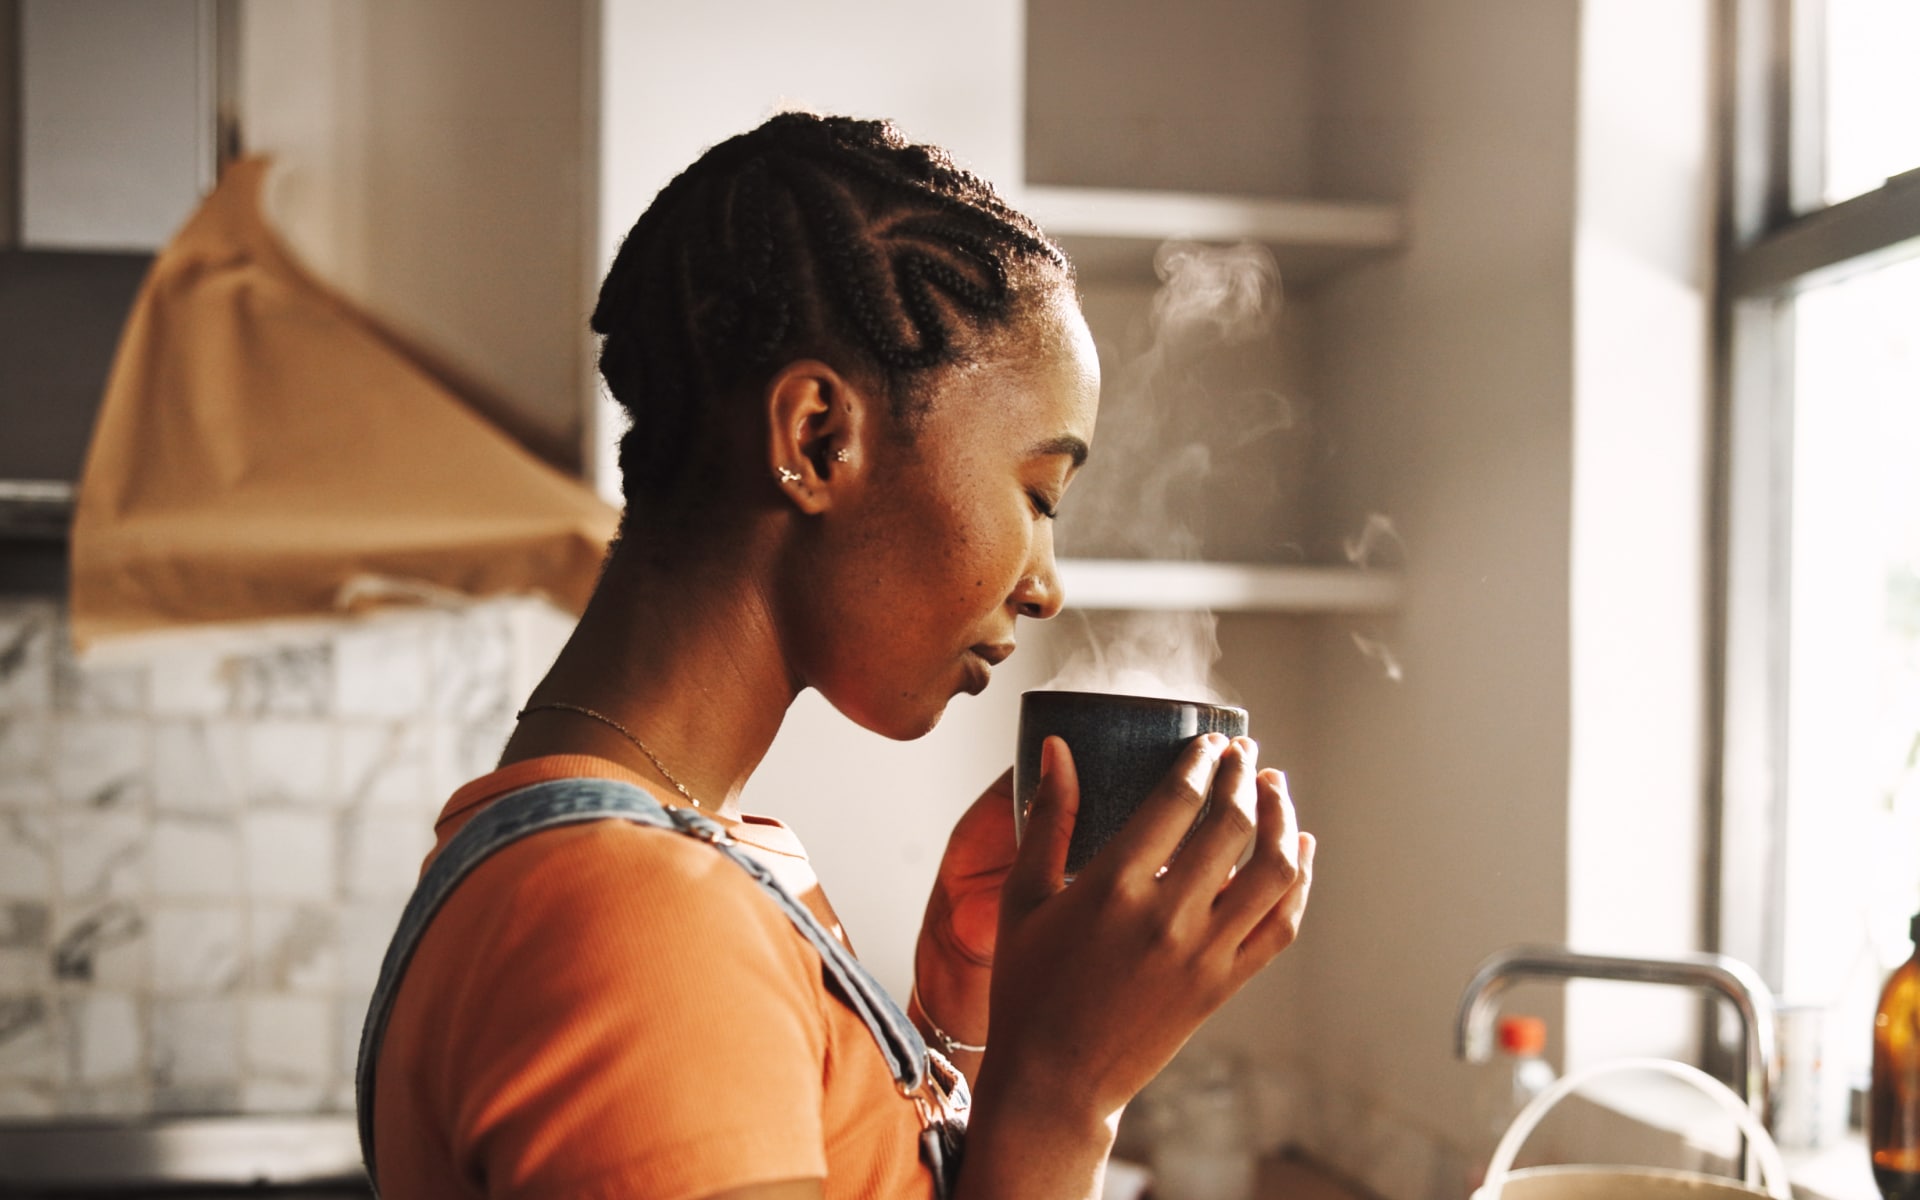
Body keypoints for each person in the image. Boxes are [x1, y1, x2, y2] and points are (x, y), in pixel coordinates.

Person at [359, 112, 1317, 1200]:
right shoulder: (638, 917)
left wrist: (968, 1015)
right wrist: (1062, 1098)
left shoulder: (674, 862)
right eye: (1039, 495)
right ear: (816, 437)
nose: (1045, 584)